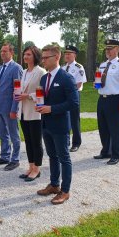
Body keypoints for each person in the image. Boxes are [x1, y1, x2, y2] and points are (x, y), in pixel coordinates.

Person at [36, 45, 79, 205]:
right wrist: (40, 105)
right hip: (46, 124)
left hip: (60, 125)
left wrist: (51, 108)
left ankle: (65, 191)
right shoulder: (44, 78)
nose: (43, 60)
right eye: (43, 57)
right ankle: (54, 185)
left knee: (64, 158)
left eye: (46, 57)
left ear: (56, 57)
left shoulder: (66, 78)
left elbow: (74, 103)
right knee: (52, 156)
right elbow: (43, 98)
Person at [93, 39, 119, 165]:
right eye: (106, 49)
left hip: (115, 99)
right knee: (103, 127)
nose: (108, 51)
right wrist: (96, 84)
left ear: (117, 49)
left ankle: (117, 154)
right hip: (102, 98)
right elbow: (101, 81)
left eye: (110, 48)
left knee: (115, 129)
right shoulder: (103, 65)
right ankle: (106, 151)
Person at [0, 42, 23, 171]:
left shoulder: (16, 68)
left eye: (5, 51)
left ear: (11, 53)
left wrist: (14, 109)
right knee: (2, 134)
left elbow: (17, 90)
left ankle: (15, 159)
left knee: (14, 135)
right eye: (1, 51)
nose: (2, 53)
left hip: (10, 107)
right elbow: (0, 87)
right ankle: (4, 156)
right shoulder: (0, 68)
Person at [16, 46, 46, 181]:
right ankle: (31, 166)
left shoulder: (41, 72)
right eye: (25, 54)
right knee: (28, 141)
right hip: (23, 111)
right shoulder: (23, 72)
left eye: (28, 54)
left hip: (35, 112)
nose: (25, 56)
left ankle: (37, 169)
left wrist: (27, 96)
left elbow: (43, 91)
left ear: (35, 56)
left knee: (36, 141)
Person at [63, 45, 87, 152]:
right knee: (64, 119)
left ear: (74, 55)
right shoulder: (63, 68)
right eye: (66, 53)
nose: (67, 56)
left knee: (74, 119)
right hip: (63, 97)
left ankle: (76, 142)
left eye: (69, 54)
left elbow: (78, 83)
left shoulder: (78, 67)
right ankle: (65, 141)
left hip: (73, 96)